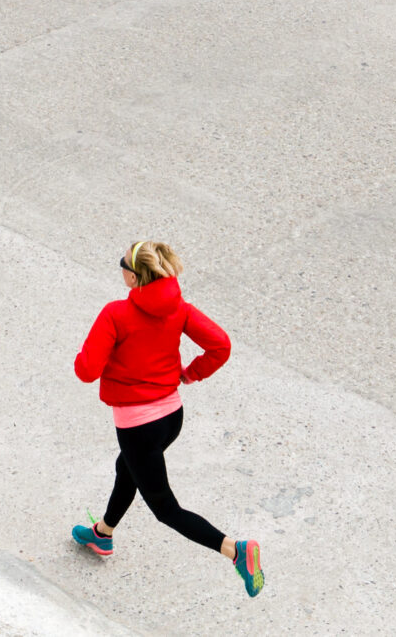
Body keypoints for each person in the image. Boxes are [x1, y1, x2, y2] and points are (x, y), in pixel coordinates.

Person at [69, 240, 263, 598]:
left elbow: (86, 371)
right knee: (126, 468)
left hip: (138, 425)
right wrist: (189, 374)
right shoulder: (180, 309)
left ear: (133, 276)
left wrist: (83, 357)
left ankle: (236, 550)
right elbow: (220, 345)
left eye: (122, 263)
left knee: (165, 509)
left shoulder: (115, 314)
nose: (121, 268)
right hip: (171, 417)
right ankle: (102, 533)